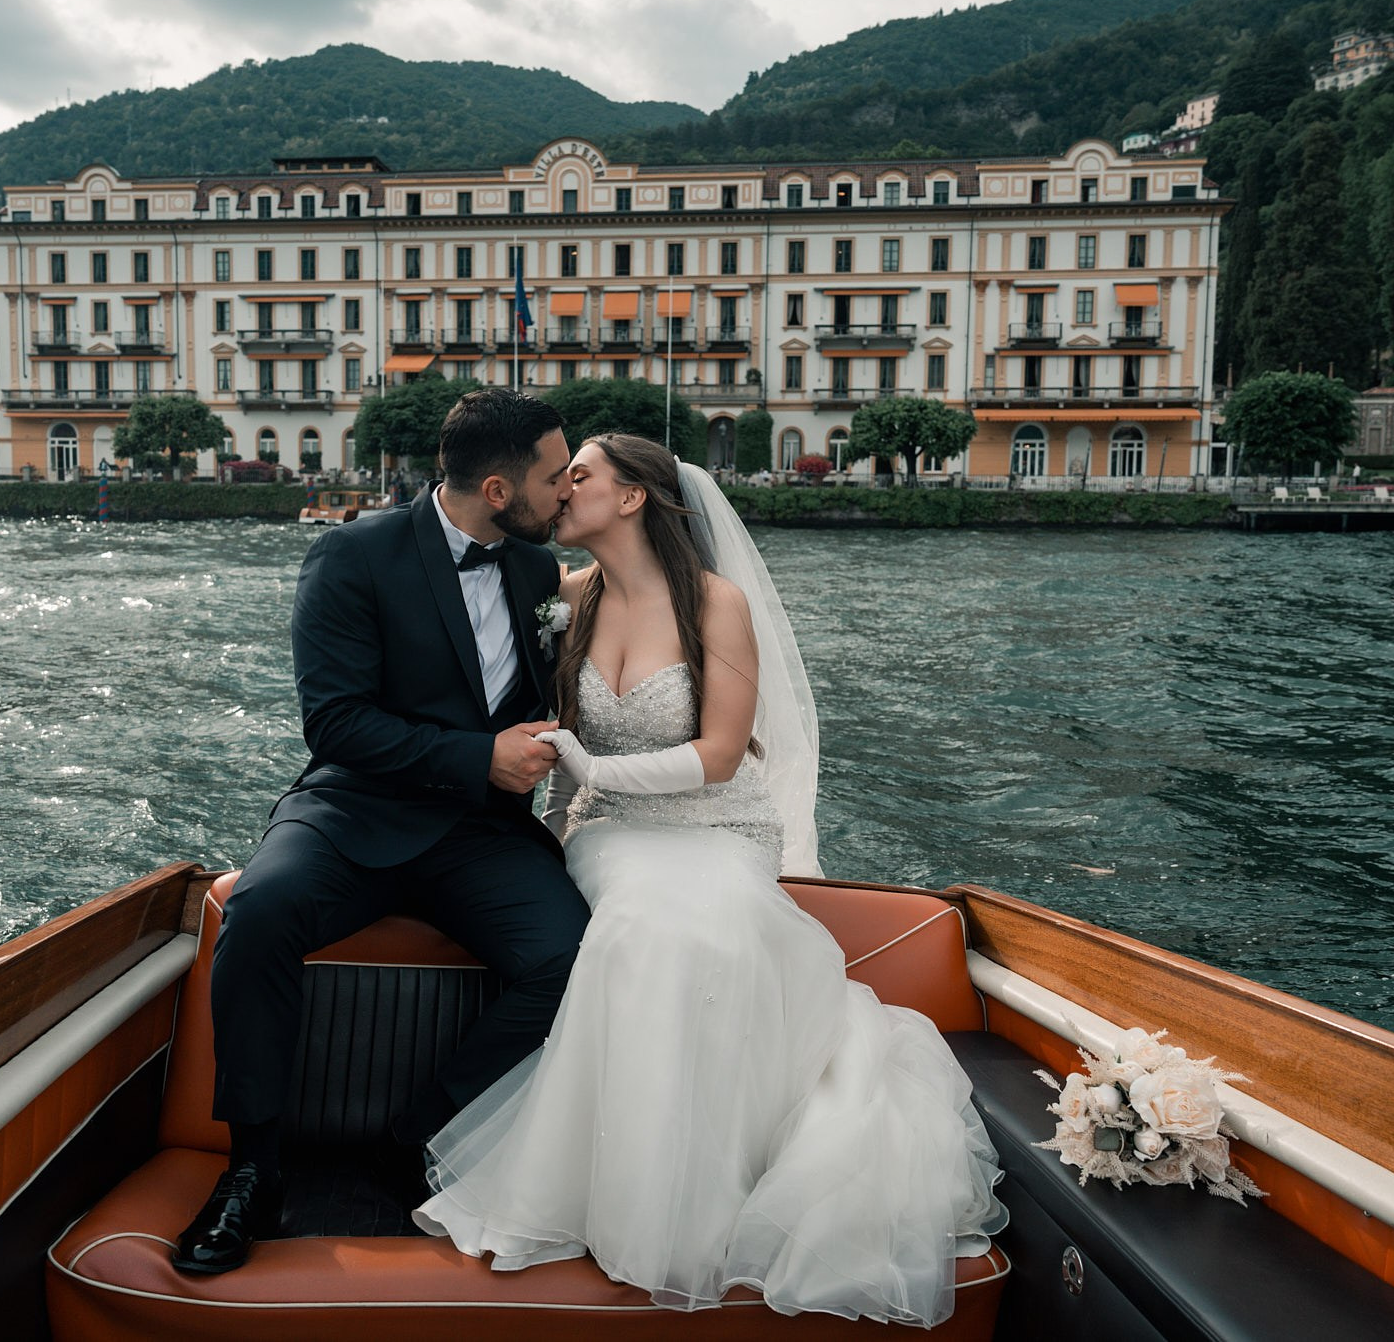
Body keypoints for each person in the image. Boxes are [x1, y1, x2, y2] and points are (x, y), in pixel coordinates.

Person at [414, 433, 1007, 1326]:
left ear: (632, 498)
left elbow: (723, 757)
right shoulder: (563, 594)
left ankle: (716, 1190)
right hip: (607, 833)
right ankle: (622, 1193)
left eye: (580, 476)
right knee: (642, 926)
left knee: (720, 920)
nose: (560, 490)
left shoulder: (715, 604)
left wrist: (589, 761)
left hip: (715, 822)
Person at [173, 388, 590, 1274]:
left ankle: (422, 1130)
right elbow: (335, 723)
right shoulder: (351, 554)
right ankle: (252, 1170)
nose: (568, 490)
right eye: (556, 476)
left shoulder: (535, 573)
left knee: (573, 955)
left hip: (478, 834)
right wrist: (479, 756)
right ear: (498, 487)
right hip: (355, 807)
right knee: (260, 911)